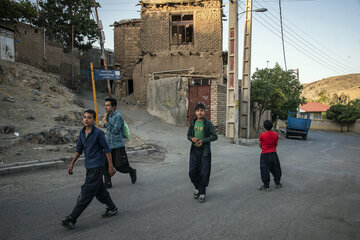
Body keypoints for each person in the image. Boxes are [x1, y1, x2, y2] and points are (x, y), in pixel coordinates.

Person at [61, 110, 118, 229]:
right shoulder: (82, 133)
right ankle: (112, 208)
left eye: (89, 118)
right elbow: (79, 149)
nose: (86, 119)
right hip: (89, 166)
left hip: (97, 167)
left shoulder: (98, 133)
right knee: (100, 191)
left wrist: (110, 166)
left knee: (86, 192)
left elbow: (107, 150)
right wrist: (72, 163)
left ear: (94, 120)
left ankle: (72, 218)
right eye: (85, 117)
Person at [102, 98, 137, 188]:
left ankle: (131, 171)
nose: (106, 107)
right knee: (105, 165)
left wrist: (106, 123)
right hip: (108, 145)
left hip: (118, 145)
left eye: (108, 105)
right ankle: (108, 184)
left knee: (120, 166)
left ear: (113, 106)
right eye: (105, 105)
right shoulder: (108, 116)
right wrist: (105, 121)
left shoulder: (118, 116)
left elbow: (115, 130)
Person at [187, 103, 218, 203]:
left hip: (205, 152)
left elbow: (214, 136)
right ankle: (197, 188)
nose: (200, 112)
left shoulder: (208, 124)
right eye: (198, 110)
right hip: (194, 151)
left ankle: (202, 192)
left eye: (202, 110)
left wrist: (203, 141)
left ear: (205, 112)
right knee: (192, 172)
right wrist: (192, 138)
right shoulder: (193, 123)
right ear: (195, 112)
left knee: (204, 172)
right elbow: (188, 135)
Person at [258, 120, 283, 191]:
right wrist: (272, 148)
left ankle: (266, 186)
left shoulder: (262, 135)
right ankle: (277, 183)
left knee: (265, 169)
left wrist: (263, 148)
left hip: (265, 154)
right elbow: (276, 144)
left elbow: (260, 144)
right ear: (272, 126)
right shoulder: (275, 134)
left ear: (264, 126)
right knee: (276, 168)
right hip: (273, 153)